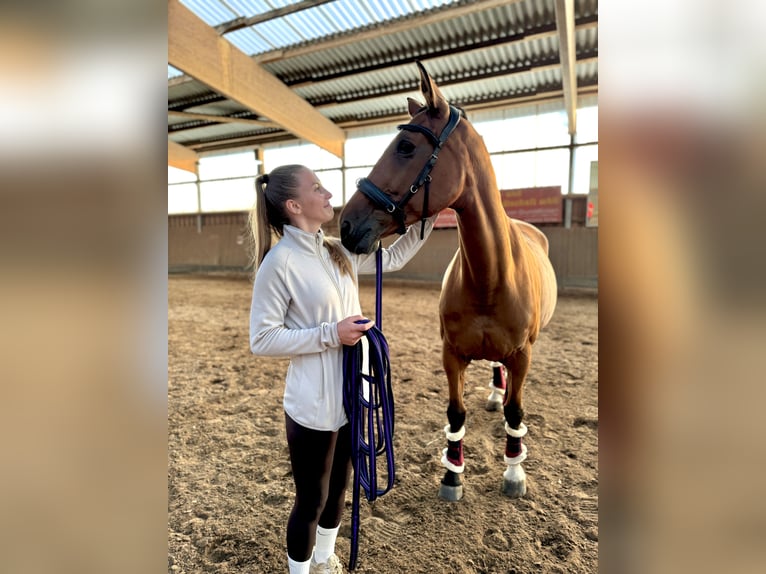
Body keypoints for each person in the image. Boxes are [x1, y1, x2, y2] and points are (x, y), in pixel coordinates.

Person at [248, 164, 436, 574]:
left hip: (352, 392)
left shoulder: (336, 249)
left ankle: (324, 559)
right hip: (312, 403)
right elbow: (261, 339)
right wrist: (331, 333)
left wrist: (431, 212)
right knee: (311, 500)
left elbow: (396, 257)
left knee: (338, 490)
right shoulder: (278, 264)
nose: (329, 193)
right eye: (318, 187)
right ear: (294, 205)